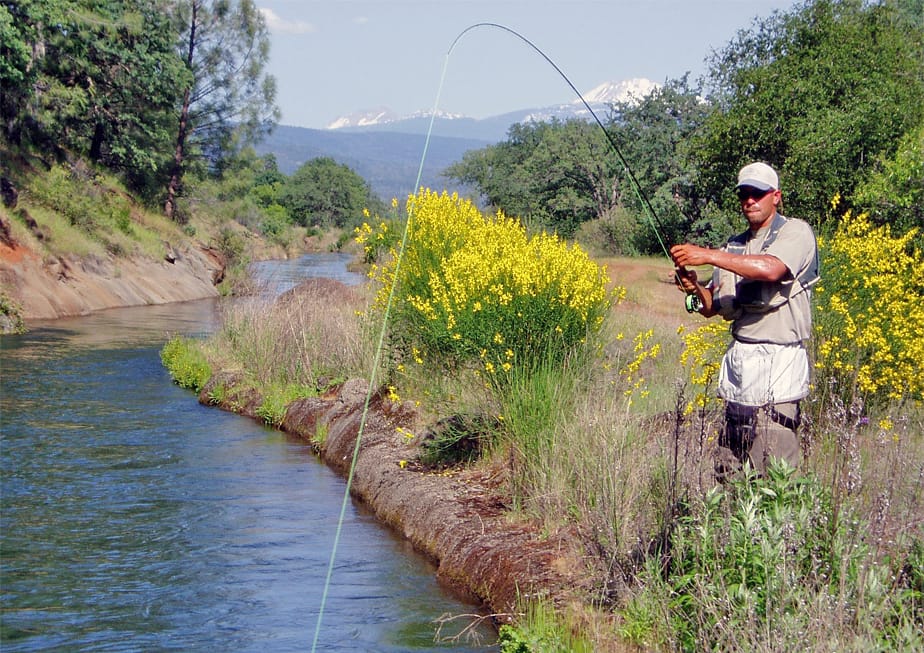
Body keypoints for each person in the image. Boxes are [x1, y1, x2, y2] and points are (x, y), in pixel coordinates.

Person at [669, 162, 819, 479]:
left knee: (775, 473)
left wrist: (708, 255)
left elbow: (771, 269)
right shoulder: (734, 246)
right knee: (728, 470)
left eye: (757, 193)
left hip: (780, 367)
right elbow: (711, 307)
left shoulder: (796, 232)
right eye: (743, 194)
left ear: (776, 196)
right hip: (739, 368)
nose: (749, 200)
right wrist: (694, 288)